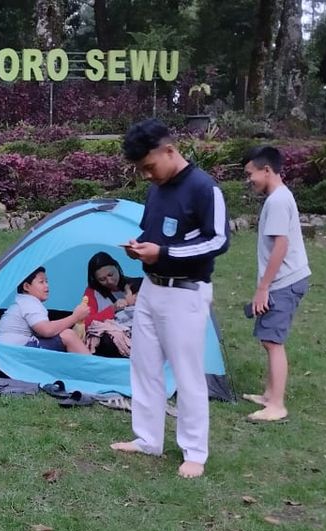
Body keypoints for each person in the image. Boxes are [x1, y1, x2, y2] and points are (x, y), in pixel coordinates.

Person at [110, 119, 230, 479]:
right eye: (140, 170)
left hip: (186, 293)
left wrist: (162, 253)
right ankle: (147, 438)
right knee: (144, 365)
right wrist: (139, 250)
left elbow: (218, 240)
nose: (147, 175)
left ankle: (194, 452)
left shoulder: (203, 188)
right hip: (151, 289)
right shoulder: (156, 189)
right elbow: (153, 236)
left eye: (149, 167)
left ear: (169, 150)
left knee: (187, 374)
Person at [242, 145, 311, 422]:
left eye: (251, 174)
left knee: (273, 341)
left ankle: (277, 405)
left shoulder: (278, 201)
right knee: (269, 339)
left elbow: (281, 246)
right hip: (283, 280)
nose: (249, 180)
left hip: (284, 281)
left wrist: (263, 288)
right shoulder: (278, 198)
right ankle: (269, 395)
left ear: (267, 170)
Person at [0, 266, 90, 353]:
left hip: (7, 350)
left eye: (46, 281)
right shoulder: (29, 302)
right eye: (41, 282)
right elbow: (47, 330)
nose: (46, 285)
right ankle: (96, 368)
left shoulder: (22, 301)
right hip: (13, 352)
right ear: (26, 286)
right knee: (68, 335)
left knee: (61, 333)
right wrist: (75, 317)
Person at [82, 251, 138, 357]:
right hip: (112, 343)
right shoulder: (92, 292)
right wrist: (112, 309)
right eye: (102, 279)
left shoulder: (136, 284)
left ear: (117, 267)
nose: (110, 281)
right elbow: (85, 321)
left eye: (111, 274)